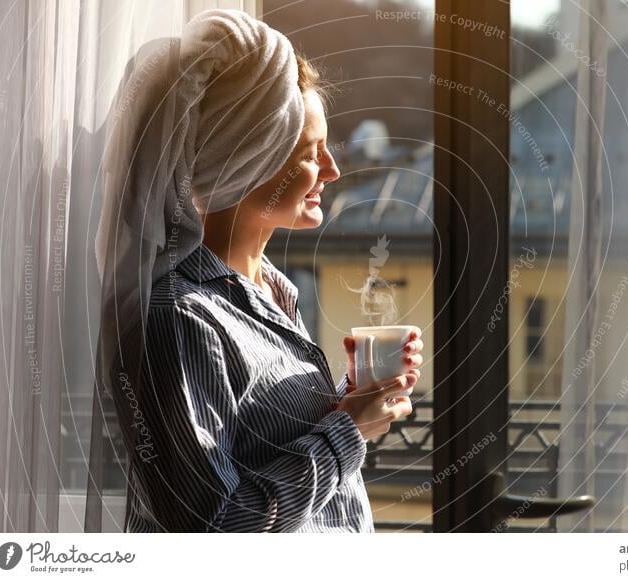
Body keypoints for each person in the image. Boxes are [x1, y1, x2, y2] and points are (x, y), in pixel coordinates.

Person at [93, 9, 422, 533]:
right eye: (313, 153)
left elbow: (262, 447)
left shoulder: (273, 295)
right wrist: (347, 432)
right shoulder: (182, 319)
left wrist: (348, 403)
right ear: (248, 162)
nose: (334, 170)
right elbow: (212, 530)